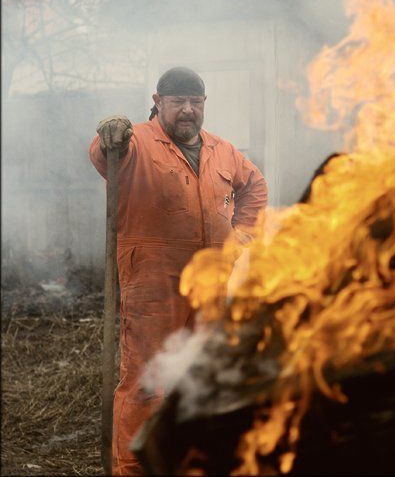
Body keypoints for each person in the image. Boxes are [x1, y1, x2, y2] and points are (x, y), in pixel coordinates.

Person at [89, 67, 268, 475]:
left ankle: (191, 459)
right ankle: (134, 467)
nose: (188, 110)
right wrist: (108, 136)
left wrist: (240, 239)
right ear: (158, 102)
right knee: (147, 378)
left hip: (210, 282)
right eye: (178, 102)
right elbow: (105, 156)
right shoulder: (136, 142)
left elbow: (254, 186)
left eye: (195, 102)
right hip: (154, 281)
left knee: (202, 374)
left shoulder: (222, 150)